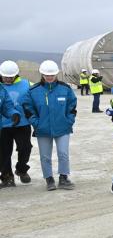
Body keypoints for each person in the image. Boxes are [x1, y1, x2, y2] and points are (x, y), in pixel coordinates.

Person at [21, 60, 76, 191]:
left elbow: (72, 106)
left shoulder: (65, 89)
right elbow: (28, 108)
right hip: (42, 129)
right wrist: (36, 123)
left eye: (52, 75)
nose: (49, 77)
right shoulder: (33, 91)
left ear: (56, 74)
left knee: (63, 153)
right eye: (47, 75)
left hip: (63, 127)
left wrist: (69, 121)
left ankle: (63, 178)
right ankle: (49, 179)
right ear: (42, 74)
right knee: (45, 156)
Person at [0, 61, 31, 187]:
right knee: (4, 152)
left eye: (11, 77)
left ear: (16, 74)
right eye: (5, 77)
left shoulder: (26, 84)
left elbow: (38, 94)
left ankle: (21, 169)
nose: (8, 79)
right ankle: (7, 177)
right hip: (3, 126)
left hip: (22, 123)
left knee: (25, 148)